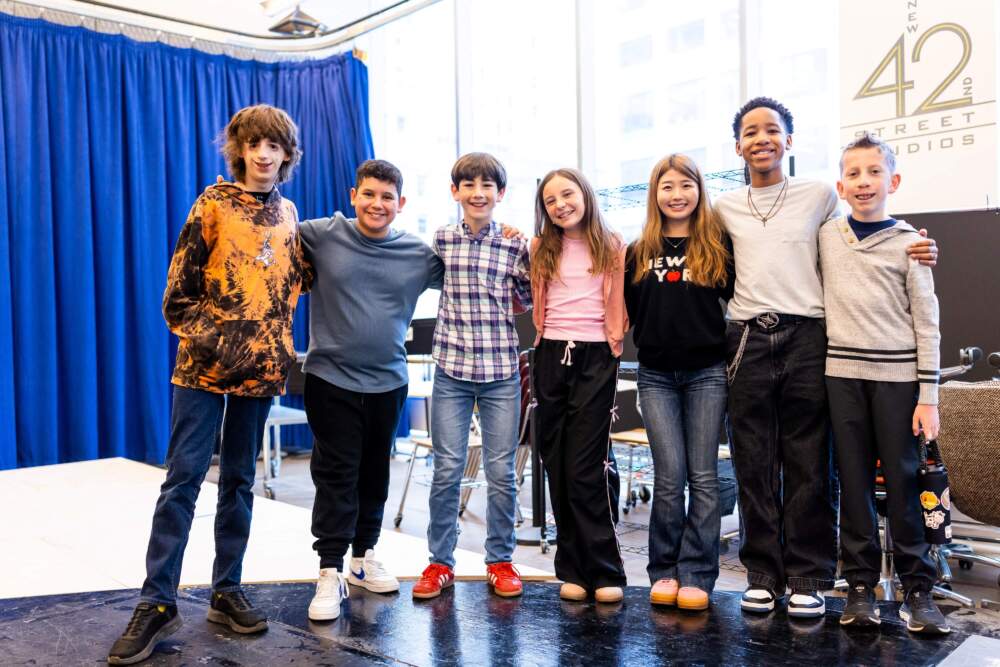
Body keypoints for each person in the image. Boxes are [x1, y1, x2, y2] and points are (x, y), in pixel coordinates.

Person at [715, 97, 938, 618]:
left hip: (810, 338)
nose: (762, 139)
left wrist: (921, 245)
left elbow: (870, 234)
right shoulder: (723, 205)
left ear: (789, 141)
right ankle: (764, 574)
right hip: (747, 337)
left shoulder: (818, 195)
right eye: (751, 132)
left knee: (811, 465)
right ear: (738, 146)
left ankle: (808, 577)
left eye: (773, 130)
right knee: (753, 462)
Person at [108, 104, 309, 665]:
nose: (265, 154)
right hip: (202, 369)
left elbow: (303, 279)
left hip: (261, 374)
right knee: (183, 481)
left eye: (275, 146)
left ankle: (227, 589)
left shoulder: (290, 214)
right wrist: (217, 341)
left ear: (287, 155)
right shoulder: (212, 204)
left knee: (242, 481)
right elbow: (178, 295)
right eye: (255, 144)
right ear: (240, 150)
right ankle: (156, 603)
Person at [298, 159, 444, 621]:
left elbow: (471, 271)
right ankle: (329, 570)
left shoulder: (419, 256)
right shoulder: (321, 235)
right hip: (330, 378)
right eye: (369, 194)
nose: (377, 204)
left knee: (374, 475)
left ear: (400, 204)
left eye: (387, 197)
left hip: (388, 383)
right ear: (353, 196)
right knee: (336, 474)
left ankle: (363, 557)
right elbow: (268, 231)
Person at [822, 133, 949, 634]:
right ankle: (859, 586)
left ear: (892, 181)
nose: (863, 182)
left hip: (897, 382)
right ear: (840, 184)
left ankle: (919, 590)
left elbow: (927, 323)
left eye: (874, 172)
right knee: (852, 487)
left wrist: (929, 396)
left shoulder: (911, 245)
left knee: (903, 486)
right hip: (842, 379)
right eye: (853, 174)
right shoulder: (827, 237)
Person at [413, 153, 532, 600]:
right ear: (455, 191)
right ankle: (439, 562)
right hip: (452, 371)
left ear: (500, 194)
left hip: (502, 370)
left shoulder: (515, 244)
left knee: (501, 471)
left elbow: (525, 298)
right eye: (469, 185)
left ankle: (500, 560)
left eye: (488, 185)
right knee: (446, 469)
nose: (478, 192)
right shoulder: (442, 240)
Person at [625, 154, 733, 612]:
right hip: (655, 376)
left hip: (707, 373)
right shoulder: (638, 250)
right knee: (669, 477)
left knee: (704, 477)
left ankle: (697, 573)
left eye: (685, 185)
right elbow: (630, 311)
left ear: (699, 190)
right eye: (667, 187)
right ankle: (663, 571)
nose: (676, 195)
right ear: (655, 194)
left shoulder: (718, 244)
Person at [530, 168, 628, 603]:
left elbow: (622, 299)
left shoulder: (612, 245)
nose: (560, 204)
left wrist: (616, 338)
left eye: (567, 194)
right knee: (555, 461)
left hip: (595, 356)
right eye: (551, 200)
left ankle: (605, 569)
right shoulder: (539, 248)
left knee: (586, 467)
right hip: (550, 354)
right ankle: (571, 568)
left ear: (585, 194)